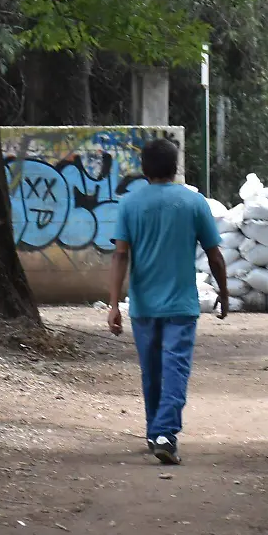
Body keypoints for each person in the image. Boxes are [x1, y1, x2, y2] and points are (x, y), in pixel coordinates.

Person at [107, 138, 228, 466]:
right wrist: (225, 294)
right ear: (176, 168)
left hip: (144, 305)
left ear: (144, 169)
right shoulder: (193, 202)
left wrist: (114, 304)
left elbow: (120, 255)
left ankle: (154, 431)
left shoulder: (129, 204)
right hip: (181, 306)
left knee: (152, 371)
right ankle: (164, 434)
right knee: (175, 369)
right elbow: (215, 256)